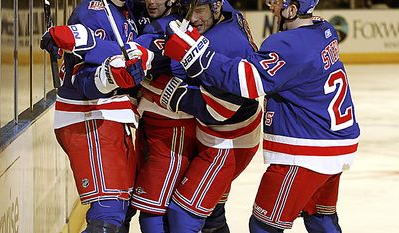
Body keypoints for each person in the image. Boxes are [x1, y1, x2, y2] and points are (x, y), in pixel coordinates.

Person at [163, 0, 361, 232]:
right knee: (320, 218)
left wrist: (197, 56)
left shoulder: (288, 44)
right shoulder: (323, 29)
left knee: (263, 226)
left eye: (278, 2)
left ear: (292, 9)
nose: (270, 4)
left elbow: (248, 81)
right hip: (337, 141)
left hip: (306, 150)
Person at [144, 0, 261, 232]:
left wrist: (171, 93)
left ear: (215, 8)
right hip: (229, 132)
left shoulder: (223, 43)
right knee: (212, 216)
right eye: (188, 10)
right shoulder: (227, 13)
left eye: (199, 10)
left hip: (227, 141)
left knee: (184, 214)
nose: (193, 18)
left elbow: (220, 109)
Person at [40, 0, 146, 232]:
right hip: (90, 118)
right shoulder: (92, 13)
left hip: (114, 119)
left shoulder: (128, 8)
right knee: (107, 213)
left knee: (121, 208)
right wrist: (111, 76)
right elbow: (84, 81)